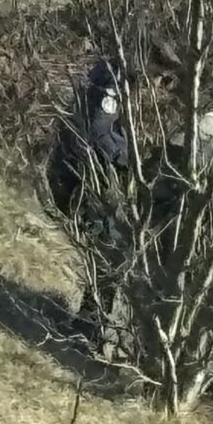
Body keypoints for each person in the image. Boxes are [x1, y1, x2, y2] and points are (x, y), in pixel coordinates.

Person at [46, 53, 134, 344]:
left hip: (77, 172)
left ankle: (90, 323)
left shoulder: (109, 75)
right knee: (110, 249)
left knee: (109, 250)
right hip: (83, 177)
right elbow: (99, 130)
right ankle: (87, 327)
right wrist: (129, 161)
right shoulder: (114, 81)